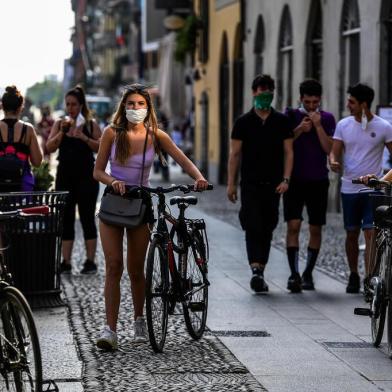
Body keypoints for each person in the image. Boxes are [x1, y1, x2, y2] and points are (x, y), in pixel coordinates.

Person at [93, 83, 208, 350]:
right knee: (113, 266)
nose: (135, 109)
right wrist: (112, 181)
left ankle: (139, 320)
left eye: (140, 104)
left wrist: (199, 178)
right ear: (124, 107)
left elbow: (183, 159)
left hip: (141, 204)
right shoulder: (111, 133)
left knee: (136, 269)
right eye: (130, 104)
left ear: (148, 108)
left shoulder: (156, 135)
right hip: (113, 203)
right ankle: (109, 329)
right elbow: (97, 171)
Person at [227, 74, 294, 293]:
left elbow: (288, 152)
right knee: (252, 224)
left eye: (268, 91)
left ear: (273, 93)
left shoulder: (282, 121)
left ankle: (260, 269)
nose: (265, 95)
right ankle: (255, 269)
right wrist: (231, 184)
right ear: (253, 92)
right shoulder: (243, 122)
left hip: (274, 184)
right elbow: (234, 154)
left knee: (268, 226)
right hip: (250, 183)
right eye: (261, 91)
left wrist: (286, 179)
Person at [330, 83, 392, 293]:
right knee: (351, 233)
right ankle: (353, 274)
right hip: (349, 187)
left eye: (352, 102)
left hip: (373, 189)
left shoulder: (384, 126)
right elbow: (334, 151)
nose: (348, 105)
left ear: (364, 104)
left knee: (370, 233)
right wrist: (333, 161)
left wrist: (382, 179)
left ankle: (369, 278)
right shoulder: (343, 125)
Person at [283, 79, 336, 292]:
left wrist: (317, 125)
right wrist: (298, 129)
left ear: (320, 99)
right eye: (308, 102)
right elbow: (283, 143)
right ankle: (294, 274)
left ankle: (308, 273)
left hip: (318, 180)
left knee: (315, 227)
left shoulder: (328, 118)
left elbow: (328, 148)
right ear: (300, 99)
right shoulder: (289, 116)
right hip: (294, 180)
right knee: (293, 225)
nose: (312, 106)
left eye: (315, 102)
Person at [46, 85, 102, 275]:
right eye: (68, 104)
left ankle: (90, 261)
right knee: (66, 219)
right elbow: (49, 147)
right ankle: (66, 261)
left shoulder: (90, 124)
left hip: (87, 177)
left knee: (87, 218)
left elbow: (101, 148)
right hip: (65, 177)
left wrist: (84, 137)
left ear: (81, 105)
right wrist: (63, 132)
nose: (70, 108)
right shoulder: (60, 123)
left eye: (74, 104)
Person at [0, 86, 42, 192]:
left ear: (2, 106)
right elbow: (37, 162)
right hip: (23, 188)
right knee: (21, 208)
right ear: (20, 108)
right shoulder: (28, 129)